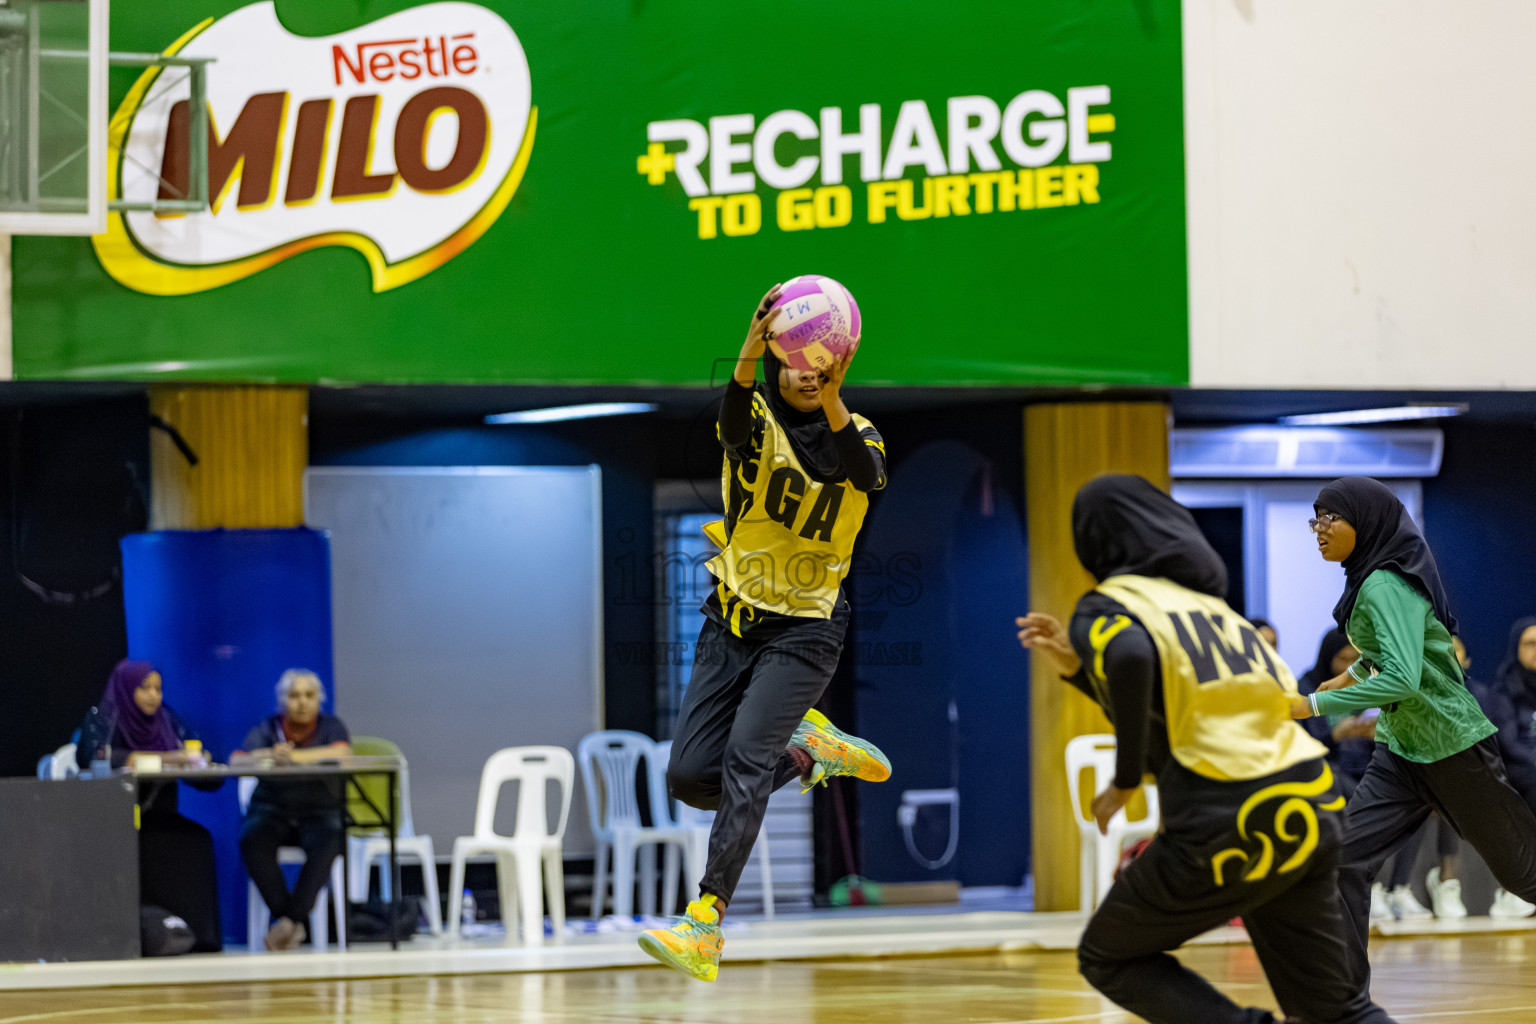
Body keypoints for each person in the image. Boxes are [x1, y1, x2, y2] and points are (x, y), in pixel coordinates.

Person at [1019, 474, 1394, 1024]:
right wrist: (1077, 670)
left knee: (1109, 955)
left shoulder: (1112, 604)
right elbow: (1176, 711)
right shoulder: (1218, 612)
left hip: (1231, 816)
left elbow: (1128, 662)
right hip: (1315, 804)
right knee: (1336, 1013)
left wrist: (1125, 781)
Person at [641, 284, 892, 982]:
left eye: (818, 367)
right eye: (795, 364)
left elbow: (863, 476)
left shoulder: (862, 431)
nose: (804, 375)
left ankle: (705, 924)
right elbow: (728, 426)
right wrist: (749, 353)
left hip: (806, 629)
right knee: (692, 777)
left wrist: (834, 392)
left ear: (835, 366)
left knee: (748, 760)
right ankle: (812, 754)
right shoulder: (751, 414)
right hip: (734, 617)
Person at [1291, 477, 1536, 971]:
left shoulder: (1384, 583)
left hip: (1451, 744)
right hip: (1402, 750)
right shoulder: (1370, 578)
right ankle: (1342, 1004)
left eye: (1330, 517)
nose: (1319, 528)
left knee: (1525, 875)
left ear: (1365, 522)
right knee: (1344, 861)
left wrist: (1313, 707)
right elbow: (1378, 658)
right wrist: (1323, 692)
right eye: (1314, 518)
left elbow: (1401, 681)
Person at [1297, 631, 1460, 921]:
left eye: (1352, 660)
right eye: (1341, 659)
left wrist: (1376, 732)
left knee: (1415, 798)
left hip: (1366, 766)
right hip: (1328, 770)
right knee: (1361, 800)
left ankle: (1399, 888)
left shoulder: (1364, 685)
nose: (1345, 666)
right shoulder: (1309, 685)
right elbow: (1303, 742)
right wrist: (1337, 734)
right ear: (1327, 656)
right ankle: (1372, 885)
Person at [75, 660, 223, 952]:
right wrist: (170, 759)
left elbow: (200, 766)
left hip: (159, 815)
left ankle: (196, 936)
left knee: (196, 839)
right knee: (138, 840)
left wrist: (200, 760)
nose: (154, 696)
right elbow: (95, 757)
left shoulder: (168, 719)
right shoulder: (104, 718)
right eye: (146, 688)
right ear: (127, 688)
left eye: (158, 688)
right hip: (113, 818)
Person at [232, 669, 352, 952]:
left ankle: (289, 921)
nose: (302, 702)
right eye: (294, 695)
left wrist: (296, 757)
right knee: (251, 838)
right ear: (282, 700)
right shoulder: (267, 728)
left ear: (319, 700)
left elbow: (342, 754)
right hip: (272, 809)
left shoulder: (331, 726)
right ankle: (290, 918)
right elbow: (238, 762)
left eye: (309, 695)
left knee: (333, 836)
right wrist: (270, 755)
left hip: (319, 813)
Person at [1464, 626, 1536, 917]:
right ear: (1516, 649)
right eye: (1530, 643)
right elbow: (1508, 743)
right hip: (1517, 770)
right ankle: (1520, 888)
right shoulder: (1506, 688)